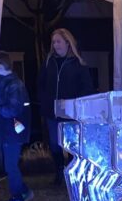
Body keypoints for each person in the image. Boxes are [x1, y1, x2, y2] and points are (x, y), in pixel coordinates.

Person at [39, 28, 94, 184]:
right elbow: (41, 84)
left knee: (71, 146)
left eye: (58, 41)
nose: (55, 45)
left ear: (68, 43)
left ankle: (73, 175)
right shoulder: (49, 62)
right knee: (55, 145)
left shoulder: (78, 64)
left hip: (71, 113)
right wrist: (45, 101)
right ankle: (58, 173)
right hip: (52, 112)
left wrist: (76, 105)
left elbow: (87, 88)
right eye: (54, 42)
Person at [0, 51, 32, 201]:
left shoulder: (14, 84)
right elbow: (2, 106)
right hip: (5, 132)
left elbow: (13, 110)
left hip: (13, 133)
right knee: (7, 165)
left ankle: (17, 198)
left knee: (10, 165)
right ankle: (24, 191)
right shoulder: (3, 83)